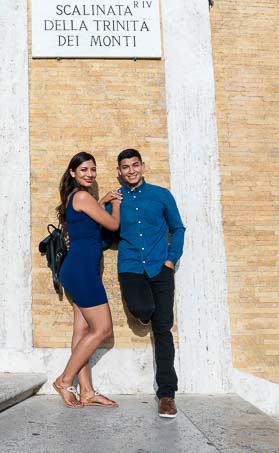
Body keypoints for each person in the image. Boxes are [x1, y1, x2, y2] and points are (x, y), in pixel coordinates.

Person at [107, 148, 185, 418]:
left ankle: (167, 394)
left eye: (135, 165)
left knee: (163, 329)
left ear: (142, 166)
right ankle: (143, 314)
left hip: (160, 268)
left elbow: (177, 228)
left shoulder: (162, 195)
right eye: (125, 167)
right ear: (119, 171)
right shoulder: (115, 200)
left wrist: (172, 259)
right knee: (143, 309)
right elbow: (103, 228)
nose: (131, 170)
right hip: (130, 267)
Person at [52, 151, 122, 409]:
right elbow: (113, 225)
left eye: (93, 169)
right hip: (81, 270)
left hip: (78, 269)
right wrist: (116, 201)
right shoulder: (82, 196)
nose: (90, 174)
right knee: (102, 329)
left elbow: (90, 221)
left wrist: (103, 199)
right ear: (72, 173)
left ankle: (88, 392)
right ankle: (64, 380)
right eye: (84, 170)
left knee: (82, 330)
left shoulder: (77, 198)